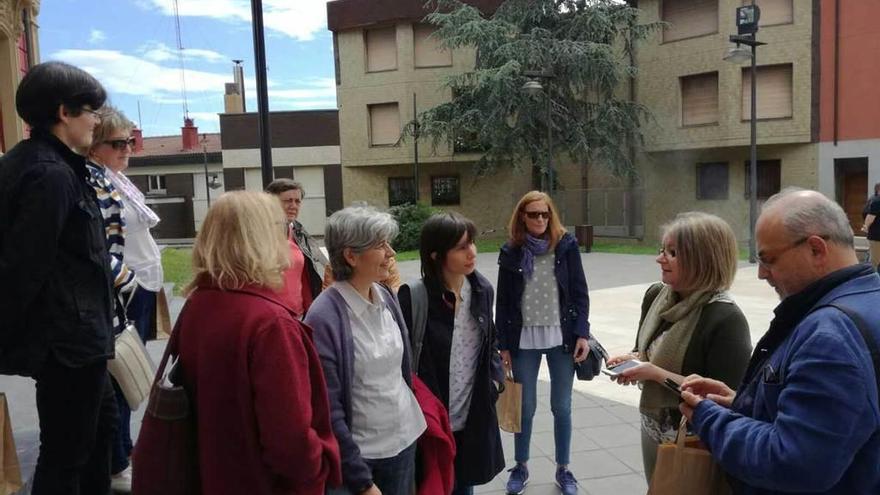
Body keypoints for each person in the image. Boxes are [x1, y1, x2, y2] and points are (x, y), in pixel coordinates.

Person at [680, 188, 880, 495]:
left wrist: (709, 418)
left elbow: (795, 462)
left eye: (768, 259)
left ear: (816, 249)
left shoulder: (830, 337)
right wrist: (746, 403)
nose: (761, 273)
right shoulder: (867, 298)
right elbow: (844, 421)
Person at [174, 191, 341, 494]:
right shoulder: (270, 323)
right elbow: (290, 443)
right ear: (261, 241)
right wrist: (320, 468)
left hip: (210, 475)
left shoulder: (198, 303)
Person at [0, 61, 117, 494]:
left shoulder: (45, 164)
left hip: (75, 340)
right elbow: (23, 267)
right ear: (64, 112)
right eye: (91, 110)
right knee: (67, 454)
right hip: (68, 343)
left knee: (99, 431)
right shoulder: (50, 174)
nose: (97, 121)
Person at [605, 212, 752, 483]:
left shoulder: (725, 318)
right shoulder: (656, 295)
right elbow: (645, 351)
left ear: (702, 258)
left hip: (696, 437)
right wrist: (633, 360)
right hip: (652, 422)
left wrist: (654, 373)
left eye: (672, 253)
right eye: (662, 250)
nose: (659, 259)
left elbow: (728, 398)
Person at [305, 206, 426, 495]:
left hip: (402, 442)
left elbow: (401, 372)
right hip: (359, 459)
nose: (392, 253)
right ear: (351, 255)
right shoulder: (324, 317)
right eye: (381, 245)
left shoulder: (384, 295)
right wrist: (361, 481)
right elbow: (328, 409)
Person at [398, 212, 505, 495]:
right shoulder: (415, 296)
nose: (472, 253)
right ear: (435, 255)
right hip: (431, 420)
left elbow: (491, 341)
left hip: (472, 415)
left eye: (472, 243)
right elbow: (401, 360)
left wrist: (495, 382)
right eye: (461, 247)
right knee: (432, 486)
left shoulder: (482, 290)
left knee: (464, 485)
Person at [495, 191, 591, 495]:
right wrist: (503, 344)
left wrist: (583, 334)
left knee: (562, 406)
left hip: (560, 338)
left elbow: (579, 292)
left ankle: (564, 469)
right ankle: (520, 466)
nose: (539, 219)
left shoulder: (566, 246)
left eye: (545, 214)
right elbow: (505, 301)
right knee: (525, 407)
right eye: (533, 214)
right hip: (523, 338)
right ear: (522, 216)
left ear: (551, 216)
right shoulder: (511, 251)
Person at [83, 105, 141, 493]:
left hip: (121, 295)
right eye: (118, 143)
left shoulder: (114, 179)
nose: (127, 149)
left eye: (130, 142)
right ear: (94, 146)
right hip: (112, 295)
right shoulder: (91, 180)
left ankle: (121, 455)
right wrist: (127, 278)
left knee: (122, 383)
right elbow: (96, 246)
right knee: (115, 384)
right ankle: (117, 463)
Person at [265, 179, 329, 315]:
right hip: (272, 317)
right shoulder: (258, 236)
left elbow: (307, 276)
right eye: (288, 201)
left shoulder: (299, 233)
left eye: (297, 201)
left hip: (300, 316)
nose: (293, 205)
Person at [861, 182, 880, 268]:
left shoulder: (873, 199)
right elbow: (870, 217)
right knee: (874, 262)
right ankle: (869, 279)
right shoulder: (877, 201)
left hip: (874, 235)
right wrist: (866, 226)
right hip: (877, 236)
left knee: (873, 259)